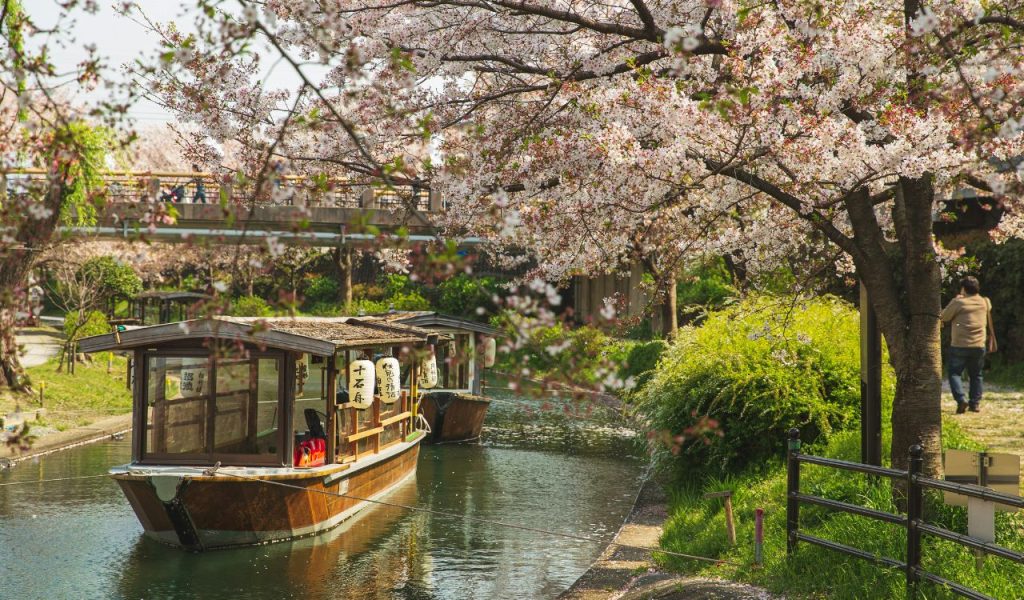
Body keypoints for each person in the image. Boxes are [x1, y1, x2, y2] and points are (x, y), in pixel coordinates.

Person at [940, 276, 997, 414]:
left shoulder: (959, 303)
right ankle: (975, 404)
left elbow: (944, 316)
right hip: (978, 345)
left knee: (954, 373)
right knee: (976, 375)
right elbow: (988, 307)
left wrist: (956, 299)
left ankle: (961, 399)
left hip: (959, 345)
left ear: (964, 289)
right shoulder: (985, 302)